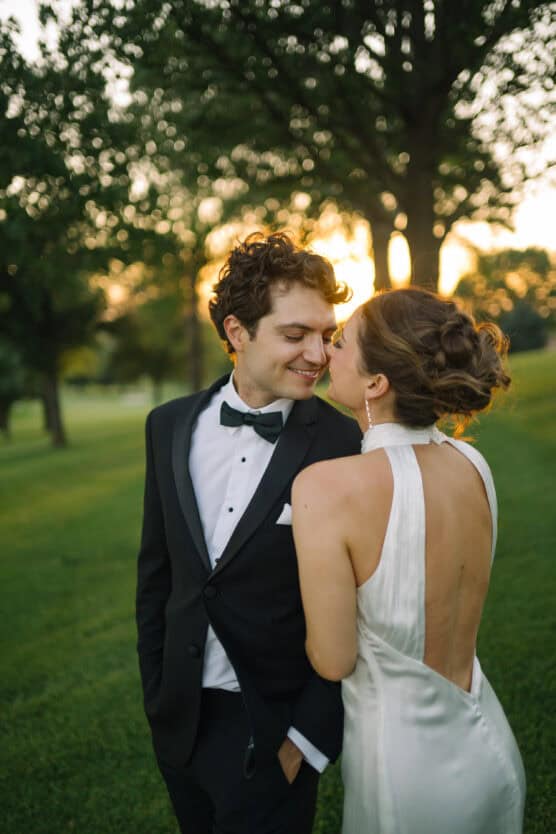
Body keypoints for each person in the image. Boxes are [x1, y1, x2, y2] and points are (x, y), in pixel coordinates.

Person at [135, 232, 361, 834]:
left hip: (275, 731)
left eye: (326, 335)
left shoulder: (346, 446)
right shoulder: (169, 427)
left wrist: (305, 742)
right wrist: (158, 698)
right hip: (180, 719)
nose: (319, 354)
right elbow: (156, 574)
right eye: (296, 335)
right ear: (237, 332)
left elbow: (364, 608)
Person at [292, 287, 526, 834]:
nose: (326, 352)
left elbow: (332, 660)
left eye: (341, 342)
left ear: (376, 383)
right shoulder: (472, 463)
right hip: (487, 745)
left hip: (405, 775)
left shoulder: (325, 488)